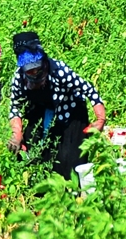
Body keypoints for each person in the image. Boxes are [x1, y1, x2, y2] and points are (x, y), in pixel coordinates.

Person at [6, 32, 106, 179]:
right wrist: (17, 134)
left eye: (37, 69)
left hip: (70, 113)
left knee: (69, 160)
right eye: (30, 71)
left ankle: (71, 195)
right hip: (40, 111)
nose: (34, 74)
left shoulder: (59, 70)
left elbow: (89, 90)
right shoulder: (19, 78)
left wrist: (100, 119)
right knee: (33, 153)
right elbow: (15, 106)